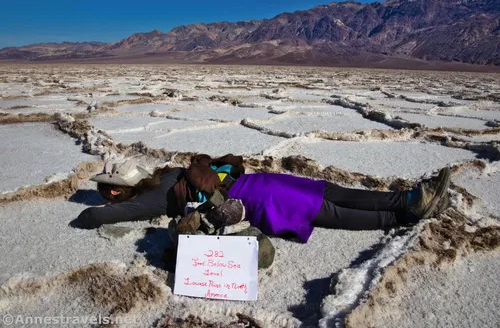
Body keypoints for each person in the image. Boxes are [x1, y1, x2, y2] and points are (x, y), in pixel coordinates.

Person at [74, 154, 451, 243]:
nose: (107, 194)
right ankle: (411, 199)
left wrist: (89, 212)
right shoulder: (172, 172)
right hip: (261, 182)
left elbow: (96, 217)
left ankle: (404, 214)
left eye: (108, 189)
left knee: (328, 210)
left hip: (258, 200)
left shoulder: (154, 199)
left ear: (116, 189)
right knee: (328, 194)